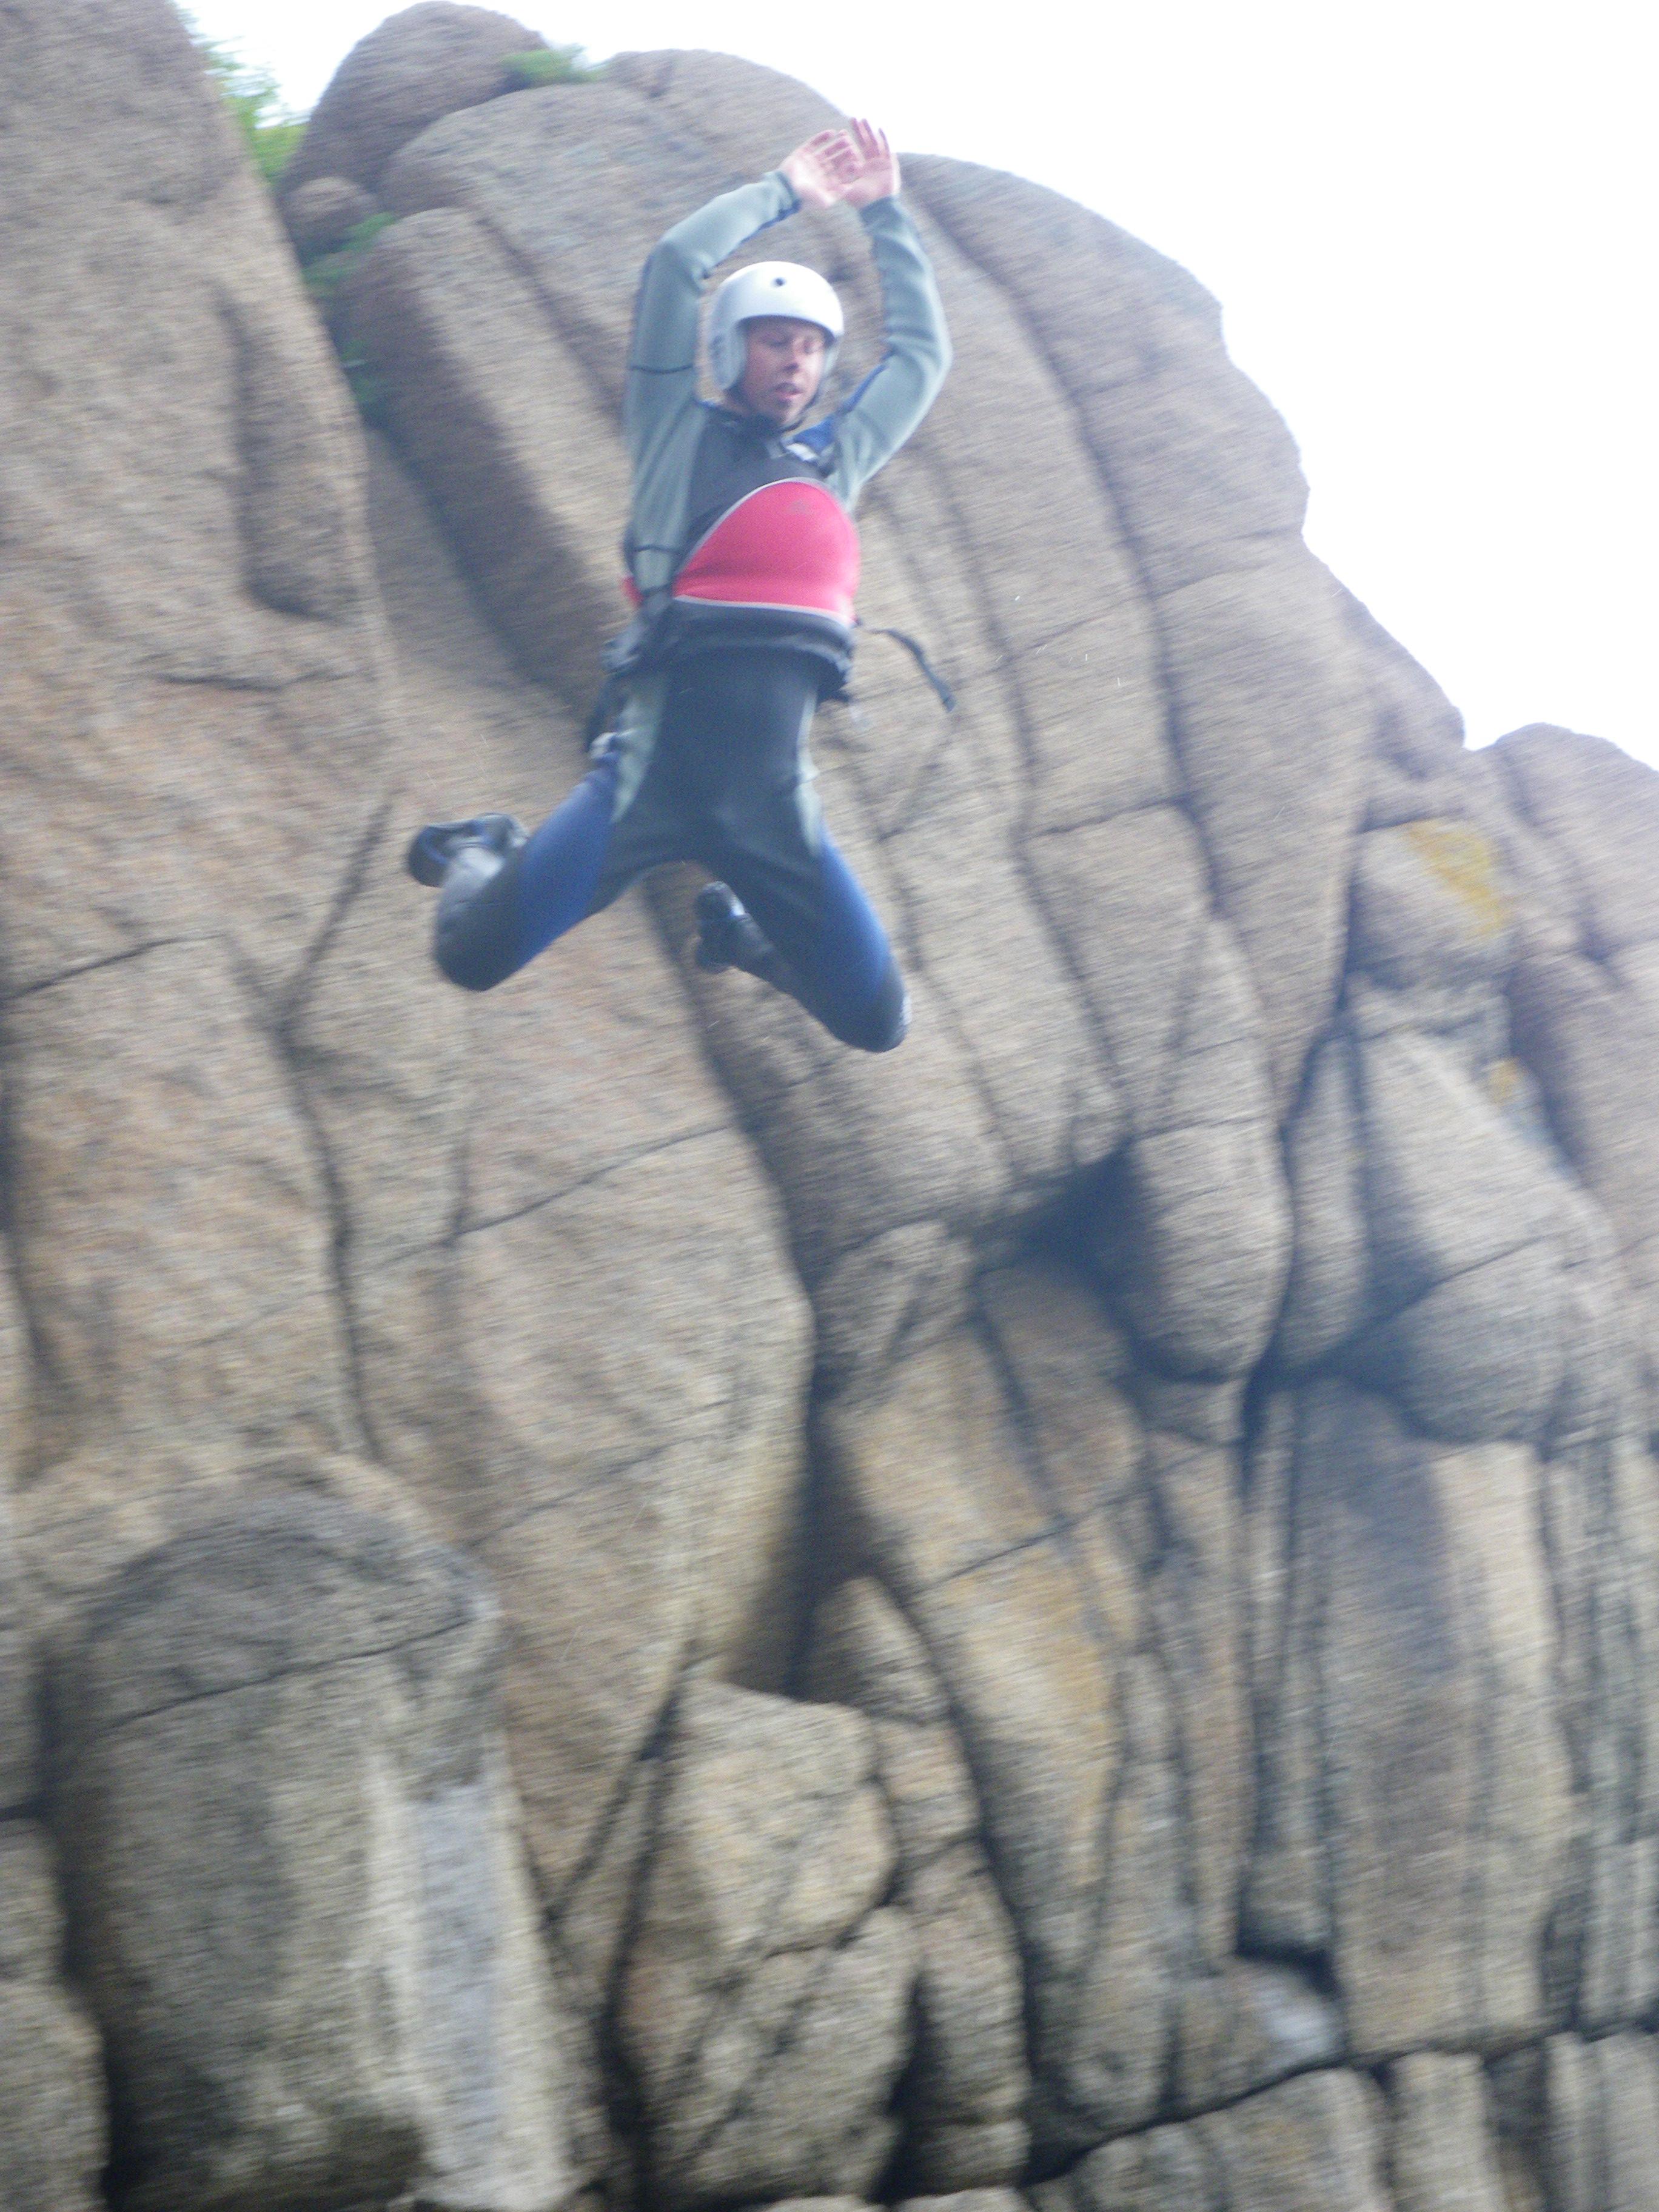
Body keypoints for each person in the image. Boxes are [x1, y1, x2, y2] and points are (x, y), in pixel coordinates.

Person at [407, 119, 951, 1052]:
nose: (797, 363)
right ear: (733, 347)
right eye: (776, 342)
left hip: (776, 803)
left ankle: (743, 940)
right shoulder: (673, 432)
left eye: (813, 348)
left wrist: (887, 213)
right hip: (650, 781)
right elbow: (674, 266)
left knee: (879, 1022)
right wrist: (786, 190)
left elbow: (923, 360)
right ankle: (481, 846)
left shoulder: (832, 461)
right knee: (469, 954)